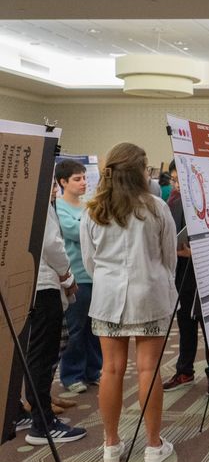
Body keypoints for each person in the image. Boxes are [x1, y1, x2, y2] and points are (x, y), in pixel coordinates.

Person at [81, 142, 178, 462]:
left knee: (110, 369)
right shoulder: (155, 207)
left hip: (107, 300)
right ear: (141, 171)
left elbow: (89, 261)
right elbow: (169, 256)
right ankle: (153, 445)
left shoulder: (93, 209)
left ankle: (111, 444)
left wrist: (109, 281)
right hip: (149, 296)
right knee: (148, 369)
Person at [15, 184, 86, 445]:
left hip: (20, 282)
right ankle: (42, 423)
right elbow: (50, 243)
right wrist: (67, 275)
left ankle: (17, 413)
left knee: (22, 354)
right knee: (41, 355)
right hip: (42, 284)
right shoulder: (35, 191)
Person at [161, 161, 209, 396]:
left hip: (208, 272)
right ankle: (184, 370)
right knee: (185, 322)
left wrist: (195, 252)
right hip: (181, 272)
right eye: (174, 180)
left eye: (180, 180)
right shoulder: (173, 200)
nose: (176, 185)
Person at [55, 159, 103, 394]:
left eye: (84, 178)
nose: (83, 183)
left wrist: (86, 224)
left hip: (95, 276)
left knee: (95, 328)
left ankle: (93, 371)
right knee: (75, 329)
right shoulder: (58, 208)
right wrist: (87, 225)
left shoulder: (87, 206)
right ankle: (72, 374)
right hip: (75, 278)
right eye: (77, 179)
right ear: (62, 182)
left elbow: (98, 230)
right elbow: (75, 232)